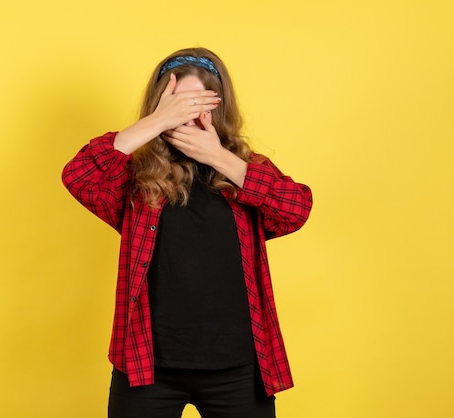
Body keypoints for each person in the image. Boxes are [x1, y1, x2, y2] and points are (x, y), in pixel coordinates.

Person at [62, 47, 313, 418]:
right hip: (149, 365)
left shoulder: (245, 170)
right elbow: (79, 175)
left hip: (239, 366)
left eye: (199, 104)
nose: (188, 116)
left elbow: (296, 208)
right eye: (178, 105)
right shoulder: (134, 176)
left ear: (219, 107)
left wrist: (218, 157)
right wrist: (153, 124)